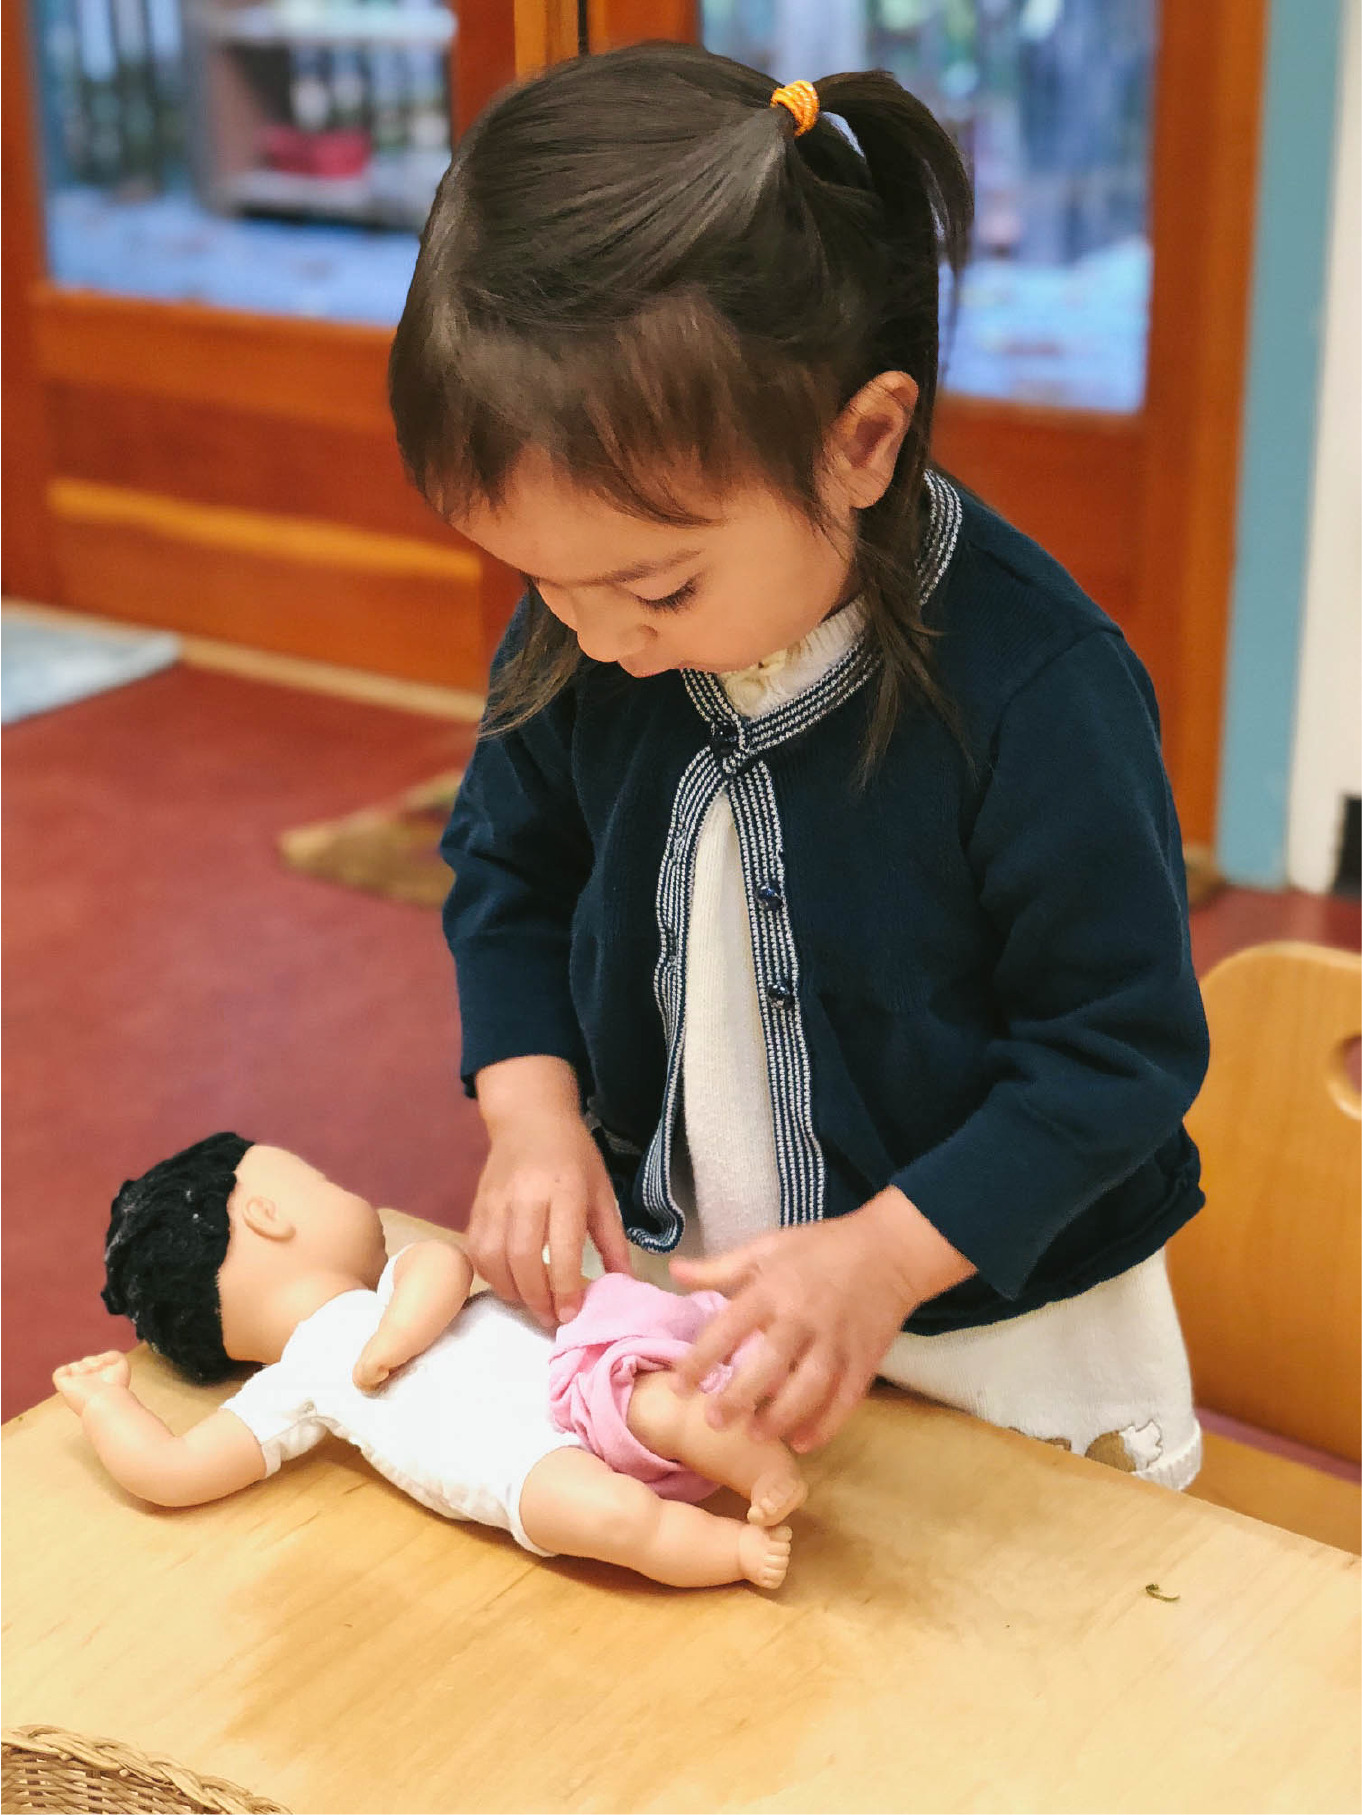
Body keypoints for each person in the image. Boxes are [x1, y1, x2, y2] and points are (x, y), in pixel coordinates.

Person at [388, 46, 1209, 1489]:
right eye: (539, 580)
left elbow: (1115, 1052)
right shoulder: (592, 620)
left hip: (993, 1338)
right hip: (700, 1307)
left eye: (658, 588)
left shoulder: (1037, 687)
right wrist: (530, 1115)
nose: (598, 639)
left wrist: (884, 1256)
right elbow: (509, 868)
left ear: (862, 442)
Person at [54, 1134, 805, 1590]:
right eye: (321, 1183)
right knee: (613, 1518)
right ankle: (735, 1550)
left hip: (570, 1377)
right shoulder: (291, 1386)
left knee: (662, 1405)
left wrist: (396, 1338)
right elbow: (174, 1470)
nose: (344, 1191)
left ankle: (762, 1470)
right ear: (267, 1217)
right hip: (513, 1466)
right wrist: (106, 1404)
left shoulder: (394, 1285)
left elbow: (444, 1266)